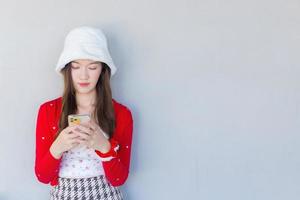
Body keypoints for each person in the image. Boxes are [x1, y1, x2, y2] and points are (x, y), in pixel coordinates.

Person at [34, 26, 134, 200]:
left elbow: (119, 179)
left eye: (93, 67)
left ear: (103, 70)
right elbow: (43, 176)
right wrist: (58, 147)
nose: (84, 75)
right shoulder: (48, 111)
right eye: (76, 66)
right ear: (68, 69)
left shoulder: (121, 113)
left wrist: (105, 148)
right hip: (63, 195)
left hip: (106, 195)